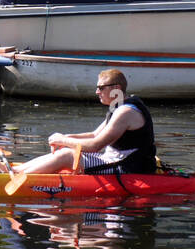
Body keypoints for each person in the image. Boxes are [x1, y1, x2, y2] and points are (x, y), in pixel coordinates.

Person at [13, 69, 156, 177]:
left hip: (127, 167)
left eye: (101, 88)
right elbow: (94, 135)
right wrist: (66, 137)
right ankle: (15, 171)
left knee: (67, 156)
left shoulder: (125, 112)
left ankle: (18, 177)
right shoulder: (119, 106)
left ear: (116, 89)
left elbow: (95, 145)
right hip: (115, 160)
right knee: (65, 150)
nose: (96, 92)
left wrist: (63, 140)